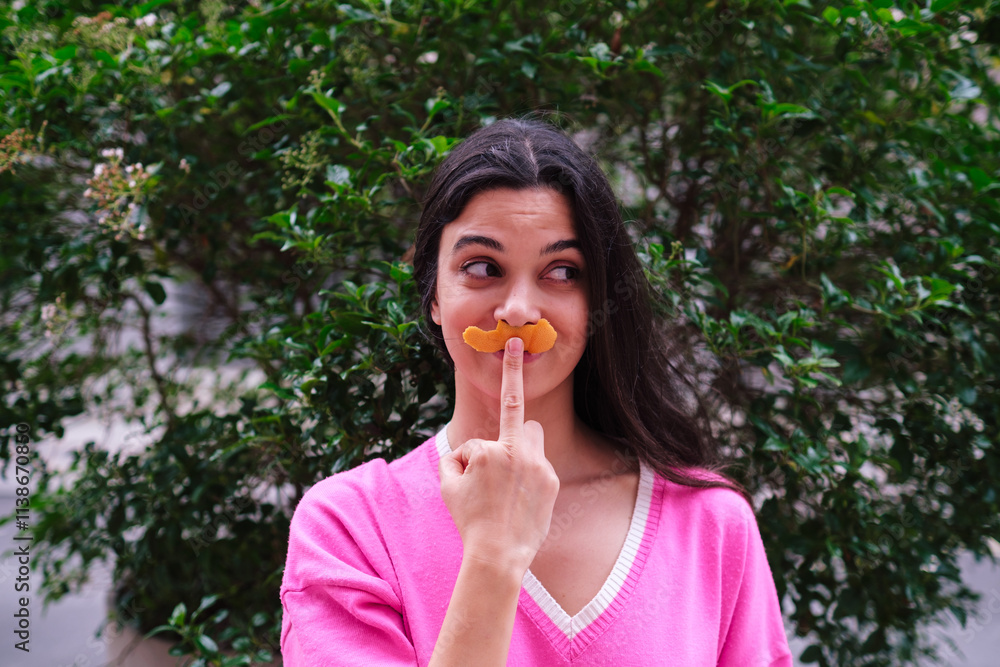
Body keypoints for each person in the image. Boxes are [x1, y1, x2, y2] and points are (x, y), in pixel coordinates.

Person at [279, 118, 793, 666]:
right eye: (482, 267)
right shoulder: (350, 529)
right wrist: (493, 555)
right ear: (433, 296)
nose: (519, 311)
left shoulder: (711, 523)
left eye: (562, 272)